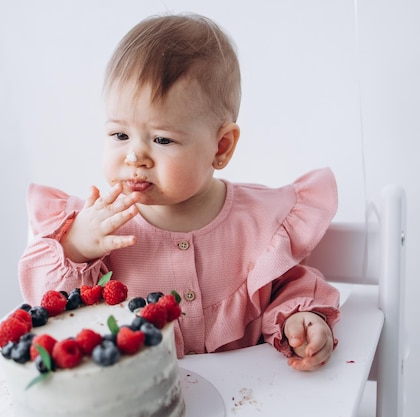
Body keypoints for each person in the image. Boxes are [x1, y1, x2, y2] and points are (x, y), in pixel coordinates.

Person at [19, 13, 340, 371]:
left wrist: (300, 319)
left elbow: (288, 285)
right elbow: (48, 308)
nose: (134, 156)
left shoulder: (258, 221)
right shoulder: (96, 228)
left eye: (162, 139)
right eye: (120, 135)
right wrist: (76, 249)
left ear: (220, 147)